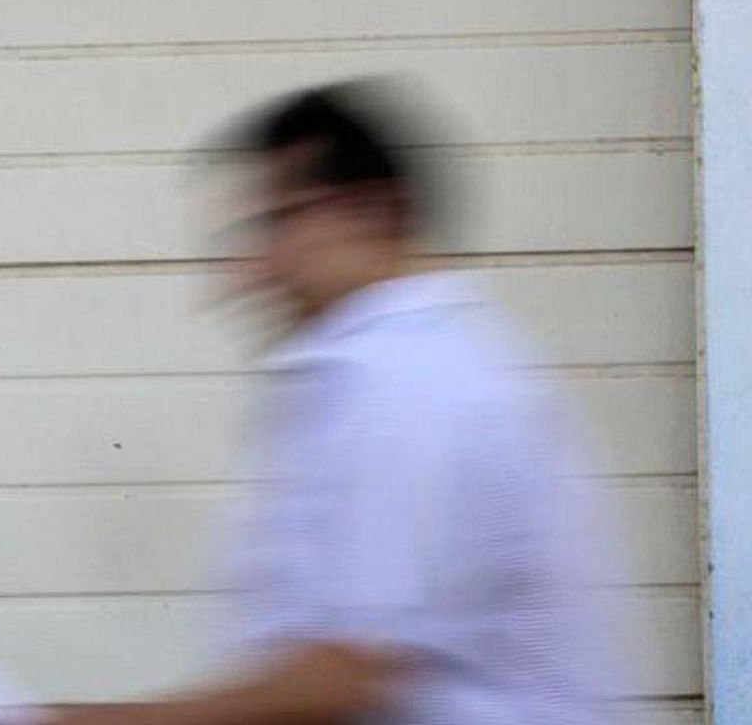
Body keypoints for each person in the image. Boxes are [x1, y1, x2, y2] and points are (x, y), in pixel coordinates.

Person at [46, 83, 604, 724]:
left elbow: (345, 677)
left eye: (278, 222)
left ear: (376, 211)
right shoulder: (417, 364)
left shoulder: (410, 385)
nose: (253, 270)